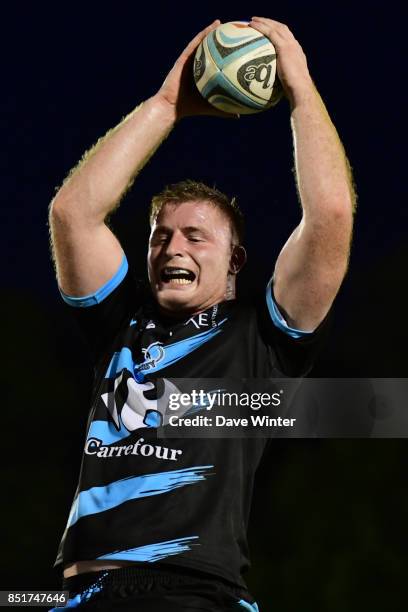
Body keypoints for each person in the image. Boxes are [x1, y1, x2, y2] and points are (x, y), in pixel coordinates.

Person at [48, 17, 355, 612]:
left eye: (195, 236)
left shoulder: (261, 340)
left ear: (236, 261)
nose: (172, 248)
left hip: (191, 593)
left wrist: (302, 89)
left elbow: (331, 218)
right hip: (70, 595)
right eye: (160, 237)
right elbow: (72, 213)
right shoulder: (121, 322)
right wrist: (166, 105)